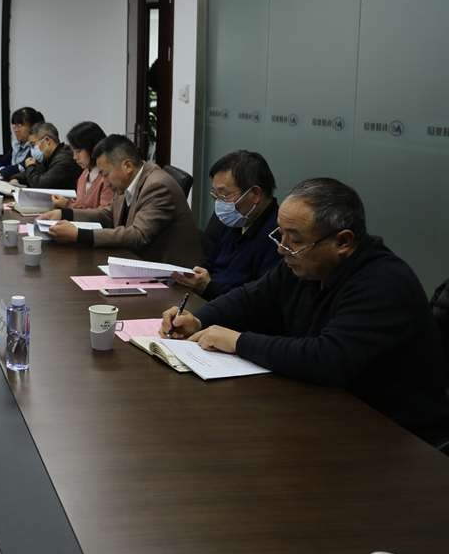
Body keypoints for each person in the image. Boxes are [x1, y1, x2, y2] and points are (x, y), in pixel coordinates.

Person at [160, 178, 449, 442]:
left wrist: (238, 342)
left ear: (343, 242)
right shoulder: (304, 265)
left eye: (295, 239)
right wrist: (198, 319)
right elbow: (250, 298)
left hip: (395, 436)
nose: (282, 249)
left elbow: (327, 358)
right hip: (328, 412)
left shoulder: (383, 283)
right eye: (280, 234)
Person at [39, 134, 203, 266]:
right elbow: (108, 214)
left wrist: (79, 234)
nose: (104, 181)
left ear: (127, 166)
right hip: (135, 260)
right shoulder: (128, 181)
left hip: (172, 278)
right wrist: (64, 214)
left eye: (105, 174)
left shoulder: (157, 186)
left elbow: (138, 235)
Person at [171, 150, 280, 299]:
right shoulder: (231, 218)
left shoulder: (278, 236)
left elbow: (260, 300)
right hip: (205, 300)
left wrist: (209, 287)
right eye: (215, 195)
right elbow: (207, 260)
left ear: (255, 194)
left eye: (224, 195)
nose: (219, 203)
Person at [51, 121, 113, 211]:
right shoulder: (84, 175)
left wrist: (68, 205)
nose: (75, 157)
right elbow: (81, 206)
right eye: (73, 152)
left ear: (93, 148)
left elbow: (104, 214)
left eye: (78, 151)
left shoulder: (108, 178)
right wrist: (67, 203)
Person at [15, 122, 81, 190]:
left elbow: (40, 185)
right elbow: (37, 172)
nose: (32, 149)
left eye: (33, 144)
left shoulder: (64, 159)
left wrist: (30, 166)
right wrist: (17, 178)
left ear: (47, 140)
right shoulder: (49, 157)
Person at [0, 107, 43, 180]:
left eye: (19, 126)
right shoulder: (17, 145)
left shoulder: (36, 147)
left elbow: (20, 167)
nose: (16, 130)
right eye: (14, 126)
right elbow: (4, 160)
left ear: (32, 127)